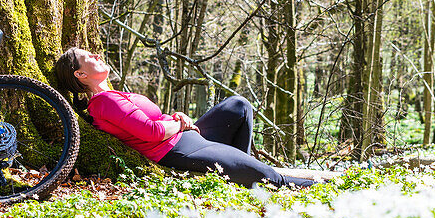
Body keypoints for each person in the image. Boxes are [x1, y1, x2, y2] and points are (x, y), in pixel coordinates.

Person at [54, 48, 316, 189]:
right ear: (80, 75)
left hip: (188, 136)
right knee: (267, 175)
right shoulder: (104, 103)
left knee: (239, 105)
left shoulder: (113, 94)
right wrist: (179, 123)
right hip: (177, 148)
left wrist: (175, 117)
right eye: (88, 57)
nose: (96, 55)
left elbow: (154, 120)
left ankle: (240, 171)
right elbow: (151, 132)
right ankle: (306, 184)